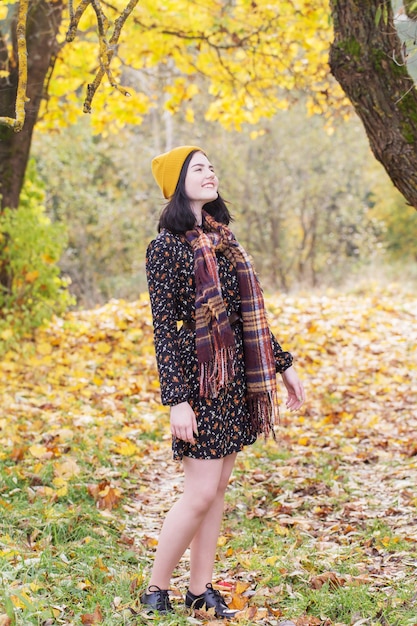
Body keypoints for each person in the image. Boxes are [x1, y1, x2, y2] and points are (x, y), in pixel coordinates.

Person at [141, 145, 305, 618]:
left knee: (218, 488)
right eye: (198, 168)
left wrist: (284, 364)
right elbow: (166, 331)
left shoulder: (223, 240)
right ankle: (155, 588)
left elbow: (245, 316)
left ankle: (200, 588)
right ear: (177, 184)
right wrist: (177, 401)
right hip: (199, 385)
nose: (209, 173)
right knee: (199, 492)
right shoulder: (166, 249)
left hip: (234, 383)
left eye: (211, 166)